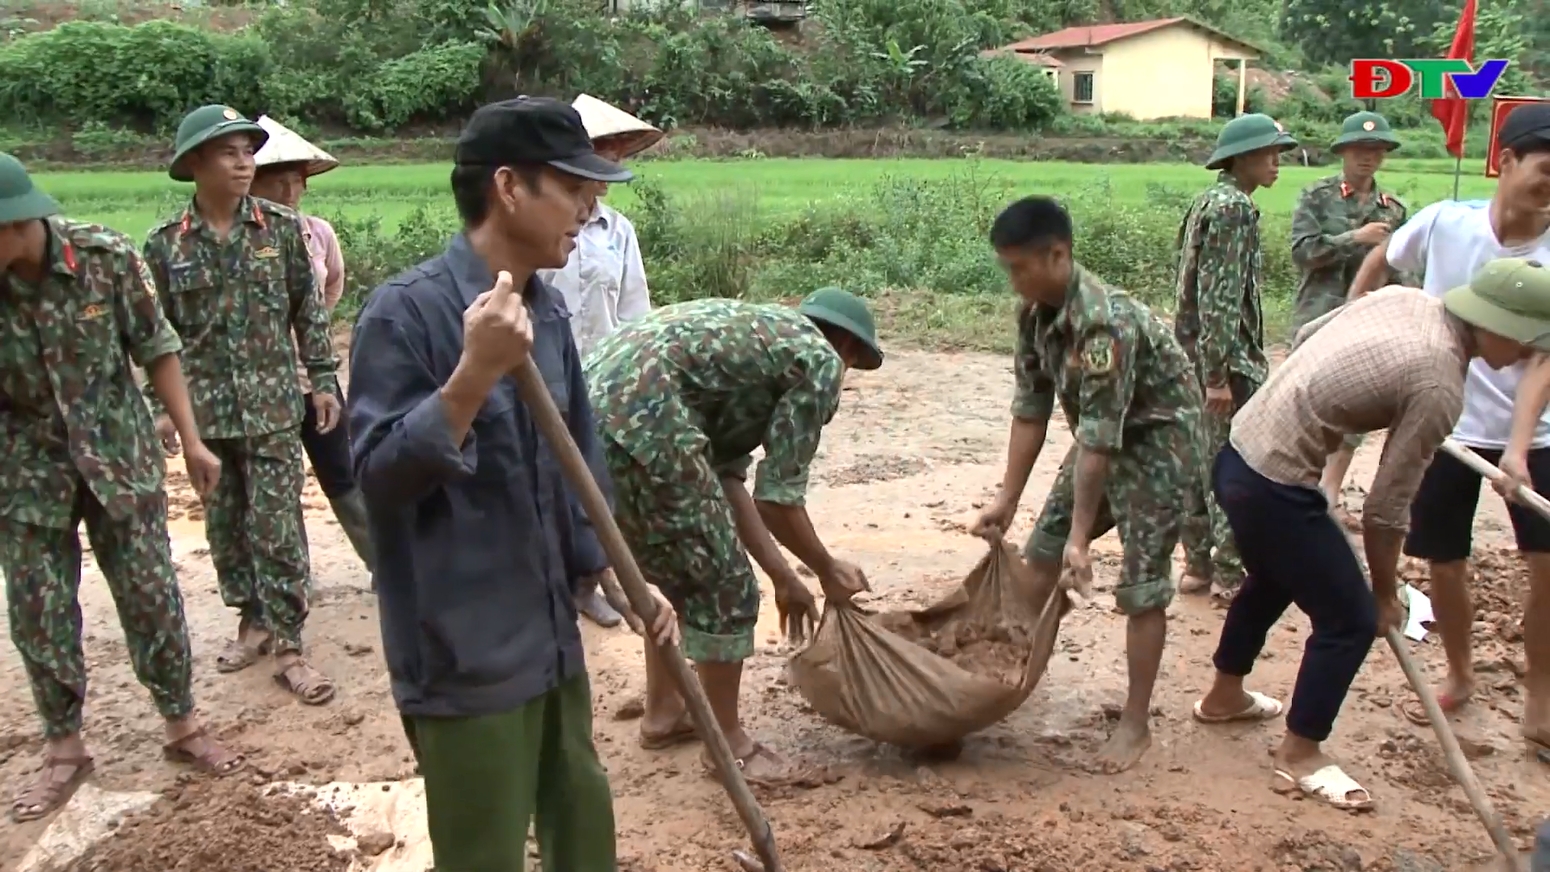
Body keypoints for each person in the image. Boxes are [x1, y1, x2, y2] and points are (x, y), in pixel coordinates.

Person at [346, 97, 678, 872]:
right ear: (508, 187)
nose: (591, 205)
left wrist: (612, 570)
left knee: (581, 822)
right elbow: (378, 484)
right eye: (572, 186)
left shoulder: (549, 312)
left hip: (550, 637)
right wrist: (473, 374)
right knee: (484, 851)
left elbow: (577, 465)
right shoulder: (406, 316)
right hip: (463, 653)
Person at [1192, 260, 1550, 811]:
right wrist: (1384, 593)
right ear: (1497, 324)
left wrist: (1326, 422)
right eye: (1529, 340)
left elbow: (1312, 336)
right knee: (1350, 619)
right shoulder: (1439, 382)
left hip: (1240, 451)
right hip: (1275, 484)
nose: (1530, 355)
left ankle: (1223, 697)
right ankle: (1301, 752)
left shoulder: (1408, 300)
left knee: (1273, 576)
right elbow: (1386, 511)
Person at [0, 153, 245, 822]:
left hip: (118, 456)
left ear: (18, 222)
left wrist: (192, 441)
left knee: (150, 595)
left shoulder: (102, 259)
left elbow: (157, 347)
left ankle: (183, 724)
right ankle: (64, 747)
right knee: (38, 612)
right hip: (25, 471)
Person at [585, 290, 880, 782]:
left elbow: (728, 482)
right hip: (645, 417)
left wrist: (785, 576)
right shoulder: (820, 360)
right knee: (725, 586)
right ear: (847, 345)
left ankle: (666, 713)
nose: (845, 376)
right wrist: (828, 570)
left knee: (690, 567)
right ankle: (729, 747)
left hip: (588, 413)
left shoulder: (760, 344)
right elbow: (778, 499)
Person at [971, 197, 1199, 773]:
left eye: (1021, 267)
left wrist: (1083, 537)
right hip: (1102, 437)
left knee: (1141, 586)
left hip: (1159, 441)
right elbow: (1031, 410)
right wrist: (1007, 497)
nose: (1014, 280)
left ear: (1059, 254)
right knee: (1038, 557)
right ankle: (1008, 679)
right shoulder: (1035, 315)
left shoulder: (1104, 324)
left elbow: (1100, 442)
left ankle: (1135, 723)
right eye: (1008, 269)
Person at [1347, 103, 1550, 742]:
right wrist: (1355, 315)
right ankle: (1461, 674)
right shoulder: (1444, 225)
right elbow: (1383, 258)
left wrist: (1517, 451)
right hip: (1446, 425)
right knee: (1445, 560)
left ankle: (1540, 694)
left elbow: (1544, 358)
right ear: (1508, 161)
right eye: (1545, 169)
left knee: (1545, 567)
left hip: (1539, 433)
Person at [142, 105, 341, 704]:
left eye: (248, 151)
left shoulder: (280, 231)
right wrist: (162, 410)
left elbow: (309, 312)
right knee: (226, 526)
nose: (243, 162)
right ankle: (250, 619)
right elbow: (156, 338)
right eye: (228, 152)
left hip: (274, 407)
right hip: (206, 416)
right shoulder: (164, 247)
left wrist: (324, 379)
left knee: (279, 527)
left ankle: (289, 644)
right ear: (194, 163)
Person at [537, 93, 662, 628]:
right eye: (601, 150)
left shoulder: (619, 231)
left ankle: (590, 581)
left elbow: (636, 312)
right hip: (544, 377)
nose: (610, 162)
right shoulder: (543, 228)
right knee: (547, 481)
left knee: (598, 481)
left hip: (606, 377)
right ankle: (555, 585)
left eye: (615, 151)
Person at [1173, 113, 1297, 606]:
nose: (1276, 163)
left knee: (1201, 460)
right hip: (1226, 364)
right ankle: (1228, 571)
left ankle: (1197, 564)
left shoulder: (1209, 201)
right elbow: (1219, 299)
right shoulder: (1234, 210)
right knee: (1232, 465)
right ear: (1241, 158)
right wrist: (1219, 374)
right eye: (1269, 153)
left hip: (1193, 357)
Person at [248, 115, 375, 578]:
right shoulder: (237, 241)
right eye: (277, 183)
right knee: (277, 488)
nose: (288, 194)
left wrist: (308, 329)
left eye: (296, 183)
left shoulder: (317, 234)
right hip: (261, 386)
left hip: (314, 376)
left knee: (344, 473)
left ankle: (383, 564)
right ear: (251, 183)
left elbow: (332, 287)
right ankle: (291, 580)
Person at [1289, 111, 1409, 525]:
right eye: (1360, 150)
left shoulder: (1393, 209)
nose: (1367, 158)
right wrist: (1353, 239)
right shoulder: (1317, 197)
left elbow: (1403, 267)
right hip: (1320, 314)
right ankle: (1296, 487)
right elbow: (1303, 253)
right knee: (1304, 401)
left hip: (1367, 320)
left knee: (1356, 407)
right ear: (1343, 152)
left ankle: (1330, 492)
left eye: (1376, 151)